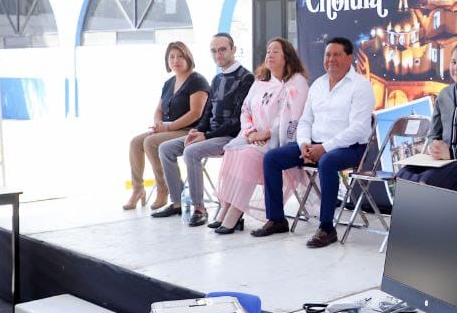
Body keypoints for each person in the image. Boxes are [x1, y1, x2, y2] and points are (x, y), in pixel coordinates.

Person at [252, 37, 375, 248]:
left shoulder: (361, 87)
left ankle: (326, 228)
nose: (331, 59)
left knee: (327, 162)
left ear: (349, 58)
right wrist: (303, 145)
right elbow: (305, 120)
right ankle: (277, 219)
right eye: (328, 55)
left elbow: (359, 129)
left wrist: (324, 148)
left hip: (349, 148)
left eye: (336, 55)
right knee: (272, 158)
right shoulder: (318, 84)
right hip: (314, 144)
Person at [152, 34, 254, 226]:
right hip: (209, 136)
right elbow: (207, 113)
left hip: (231, 138)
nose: (218, 54)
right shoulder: (217, 79)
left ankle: (199, 208)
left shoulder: (246, 78)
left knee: (191, 151)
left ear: (233, 49)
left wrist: (205, 135)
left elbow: (237, 122)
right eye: (214, 51)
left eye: (223, 49)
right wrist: (197, 131)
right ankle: (177, 202)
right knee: (165, 148)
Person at [211, 38, 310, 234]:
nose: (269, 55)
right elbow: (245, 110)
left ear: (286, 57)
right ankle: (227, 206)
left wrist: (267, 133)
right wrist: (249, 132)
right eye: (268, 51)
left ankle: (235, 211)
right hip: (254, 137)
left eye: (275, 51)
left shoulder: (296, 82)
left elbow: (292, 116)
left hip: (278, 141)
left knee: (248, 156)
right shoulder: (261, 82)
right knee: (234, 150)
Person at [396, 41, 457, 192]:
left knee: (427, 181)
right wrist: (433, 146)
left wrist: (452, 152)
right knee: (403, 175)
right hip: (442, 160)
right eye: (453, 62)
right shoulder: (444, 94)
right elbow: (434, 133)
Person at [125, 42, 209, 211]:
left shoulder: (197, 80)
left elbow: (195, 113)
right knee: (135, 142)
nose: (175, 60)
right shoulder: (169, 83)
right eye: (171, 57)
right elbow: (159, 109)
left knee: (151, 142)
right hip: (168, 129)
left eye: (180, 56)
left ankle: (163, 188)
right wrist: (158, 124)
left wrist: (167, 128)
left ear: (188, 58)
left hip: (189, 130)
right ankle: (138, 189)